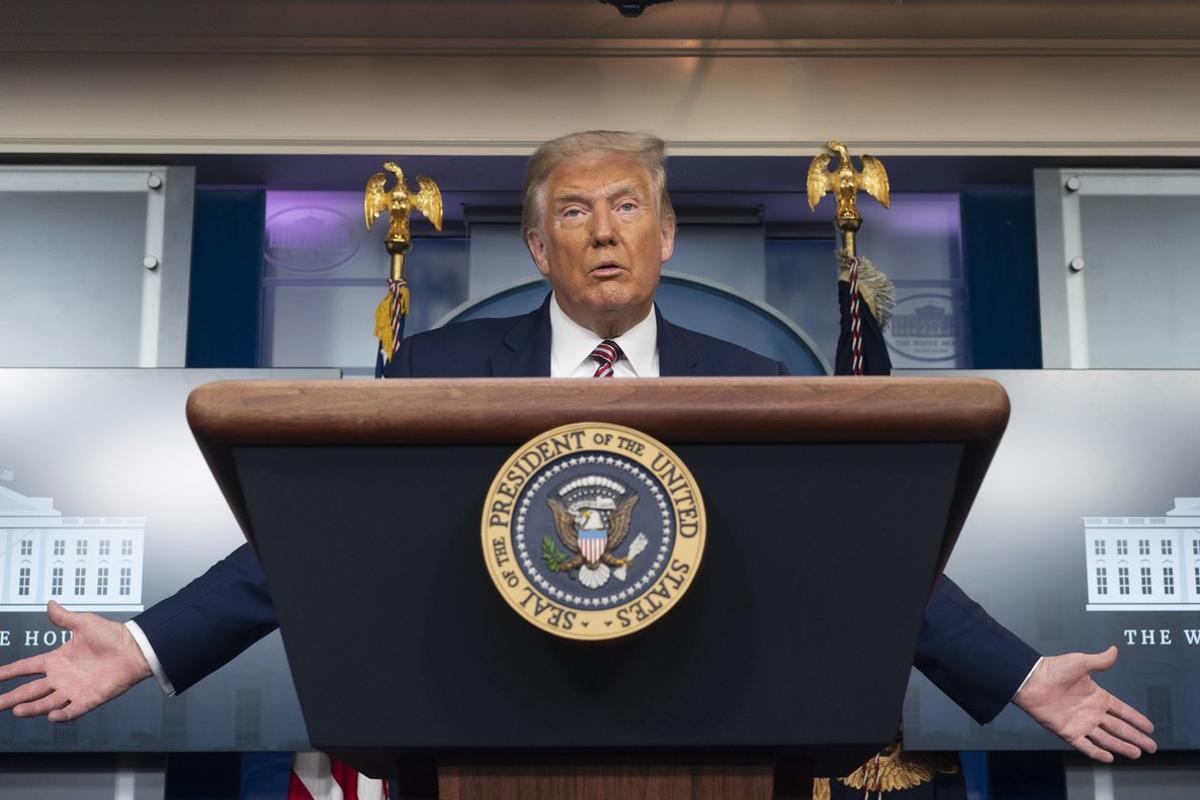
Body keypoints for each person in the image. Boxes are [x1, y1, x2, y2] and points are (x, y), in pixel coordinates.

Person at [0, 131, 1156, 765]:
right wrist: (147, 642)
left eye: (626, 209)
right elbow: (312, 549)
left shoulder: (757, 387)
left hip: (715, 737)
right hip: (481, 734)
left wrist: (1015, 671)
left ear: (661, 236)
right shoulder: (435, 374)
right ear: (537, 244)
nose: (603, 234)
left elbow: (856, 559)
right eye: (573, 211)